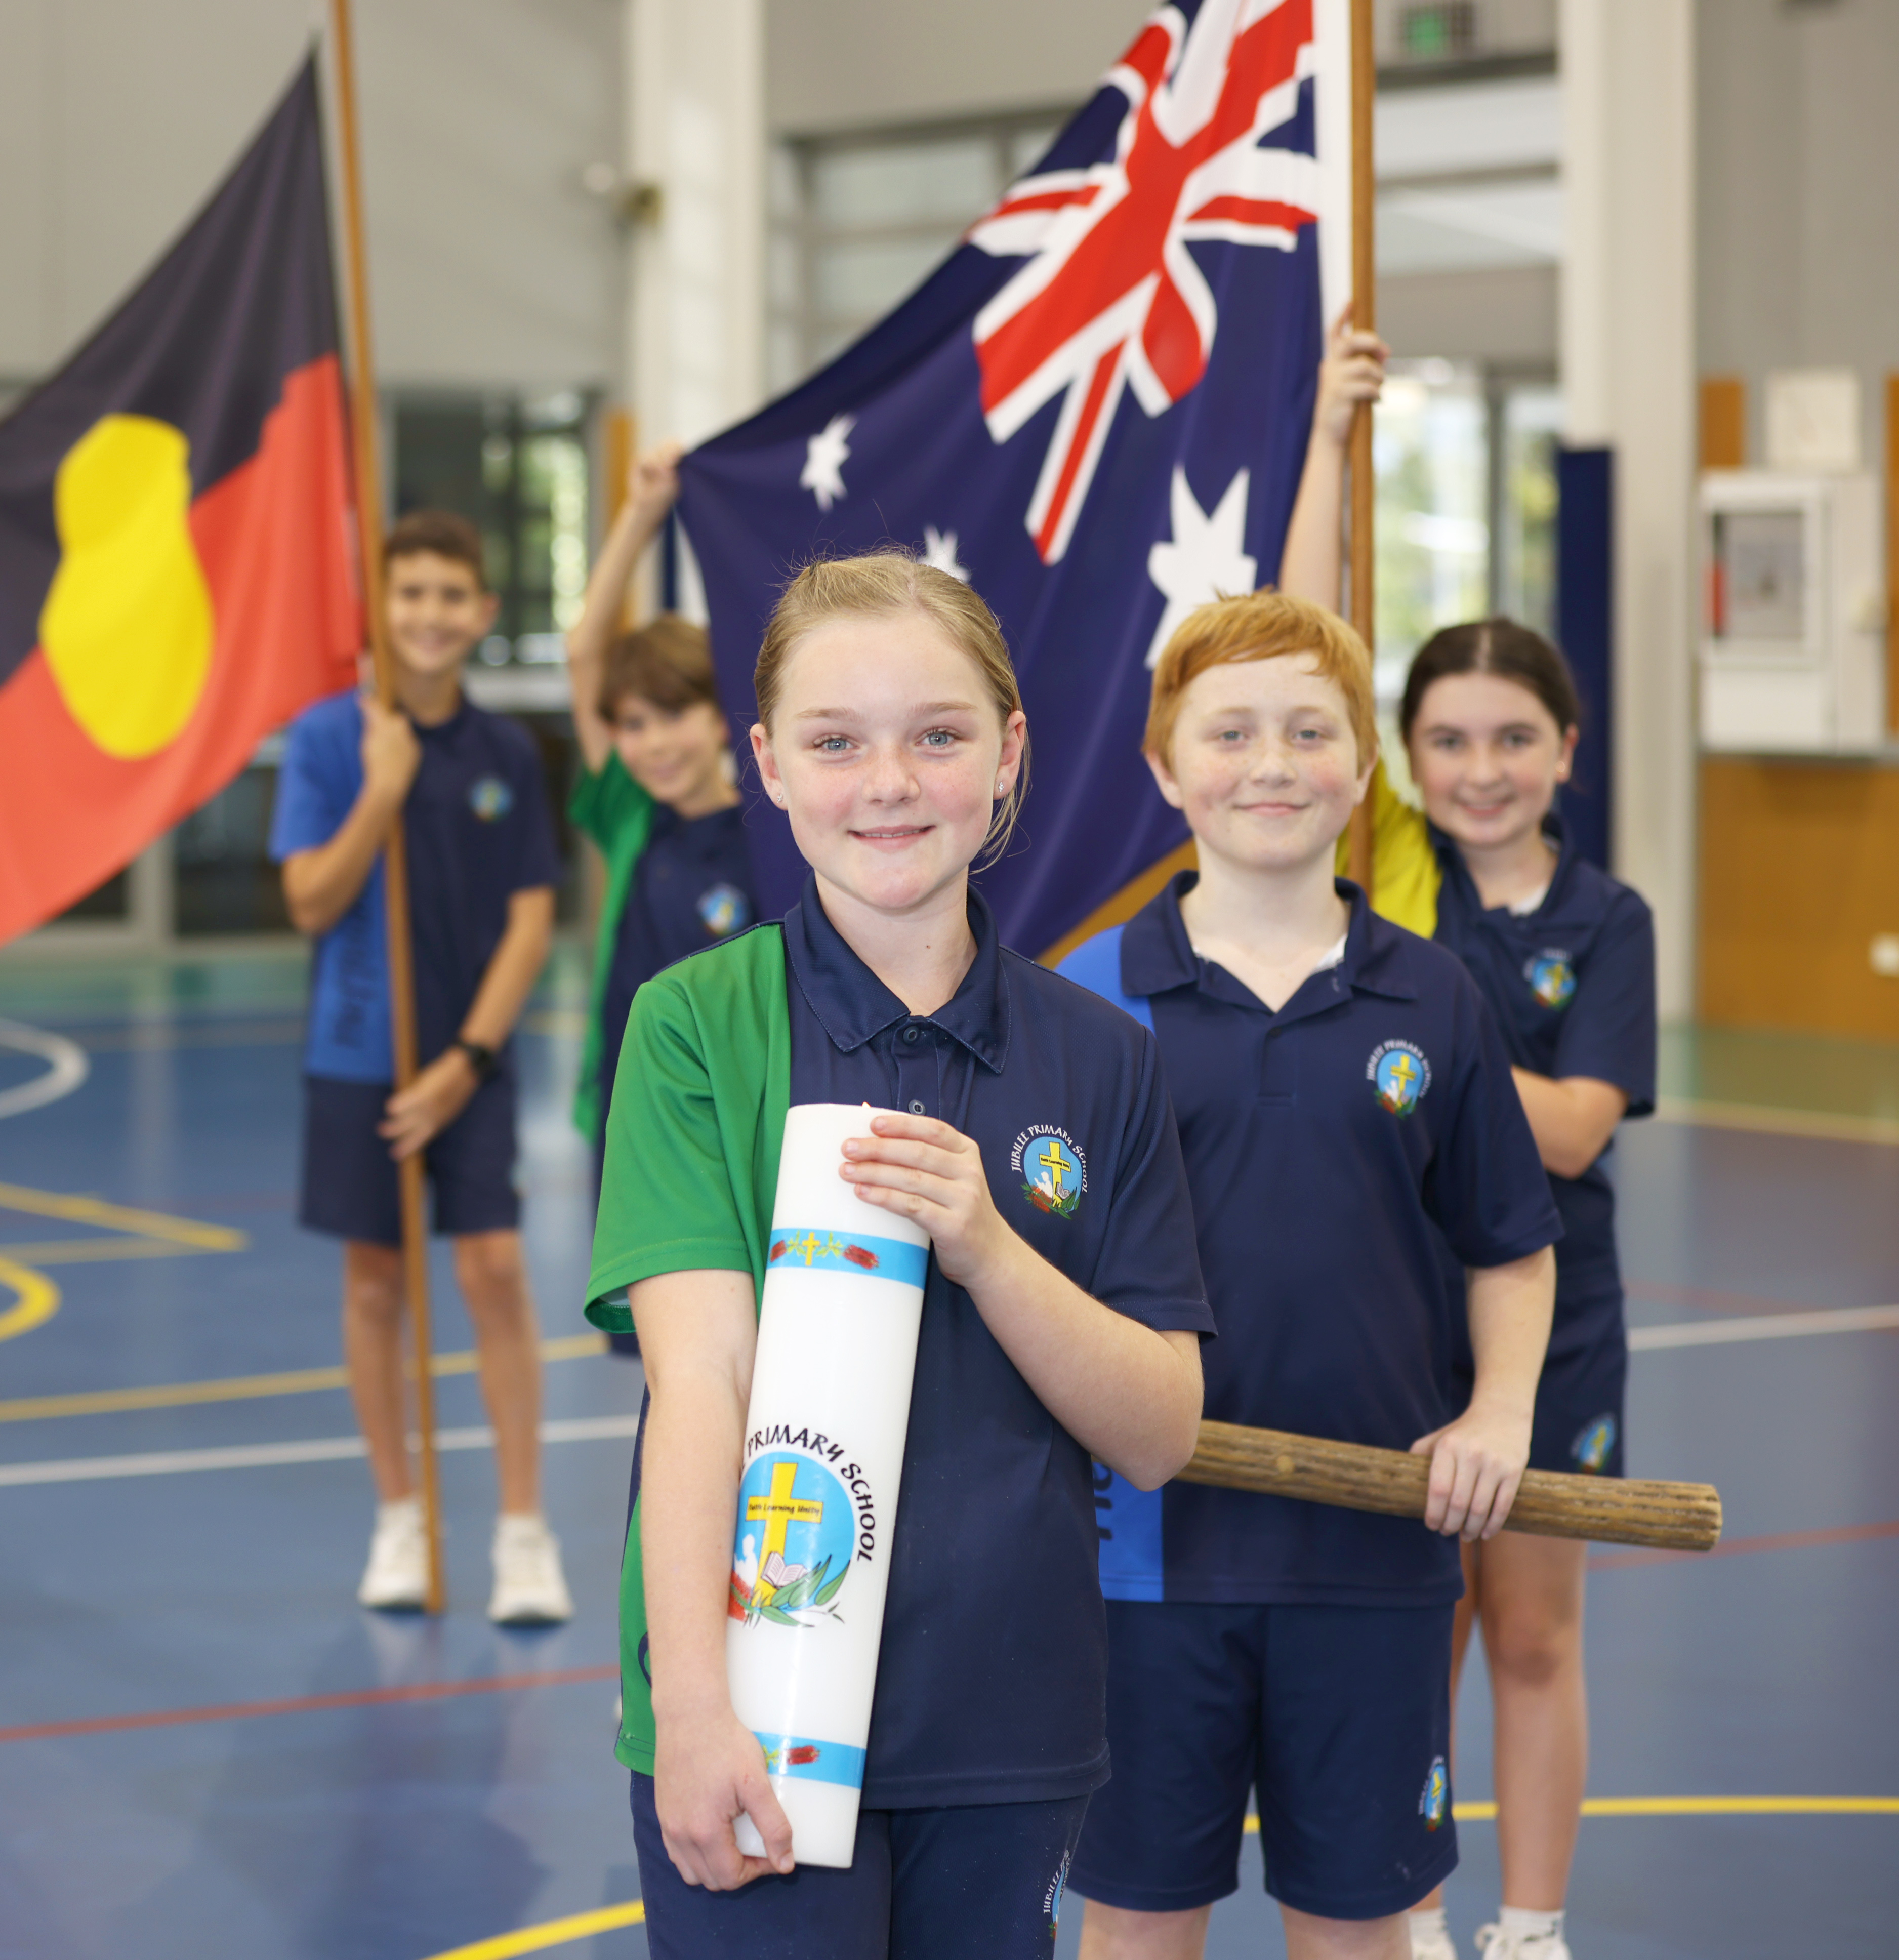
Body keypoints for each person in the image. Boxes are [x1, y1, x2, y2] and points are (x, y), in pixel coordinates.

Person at [594, 549, 1213, 1957]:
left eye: (938, 737)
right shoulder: (696, 1024)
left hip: (1010, 1720)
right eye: (836, 742)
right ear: (768, 764)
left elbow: (1163, 1429)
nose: (889, 784)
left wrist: (993, 1251)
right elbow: (701, 1385)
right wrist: (692, 1706)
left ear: (1009, 756)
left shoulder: (1101, 1059)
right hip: (758, 1709)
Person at [1056, 591, 1562, 1960]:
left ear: (1360, 769)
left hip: (1378, 1552)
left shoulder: (1437, 998)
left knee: (1362, 1920)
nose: (1272, 763)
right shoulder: (1090, 998)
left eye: (1308, 730)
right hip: (1142, 1560)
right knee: (1136, 1917)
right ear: (1165, 768)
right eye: (1231, 732)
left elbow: (1511, 1246)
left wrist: (1499, 1413)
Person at [1284, 324, 1657, 1960]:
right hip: (1394, 1322)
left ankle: (1528, 1923)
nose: (1480, 767)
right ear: (1401, 758)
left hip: (1550, 1329)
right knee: (1401, 1639)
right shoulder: (1385, 876)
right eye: (1445, 739)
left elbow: (1571, 1130)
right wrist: (1318, 439)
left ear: (1563, 753)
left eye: (1513, 739)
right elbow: (1295, 648)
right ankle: (1409, 1907)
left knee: (1525, 1632)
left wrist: (1412, 1048)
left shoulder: (1605, 919)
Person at [269, 508, 571, 1623]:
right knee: (375, 1283)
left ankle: (523, 1529)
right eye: (412, 595)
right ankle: (401, 1512)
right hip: (357, 1058)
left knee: (493, 1268)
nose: (432, 615)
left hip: (469, 1060)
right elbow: (309, 899)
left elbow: (532, 920)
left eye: (453, 595)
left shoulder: (503, 755)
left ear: (483, 613)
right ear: (381, 611)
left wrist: (467, 1059)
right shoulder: (327, 740)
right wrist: (382, 787)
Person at [562, 443, 757, 1356]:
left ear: (721, 717)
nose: (649, 743)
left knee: (748, 1346)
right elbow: (584, 650)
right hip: (635, 1118)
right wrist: (641, 514)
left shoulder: (771, 829)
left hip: (737, 1125)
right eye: (631, 724)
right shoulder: (630, 817)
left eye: (672, 715)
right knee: (666, 1359)